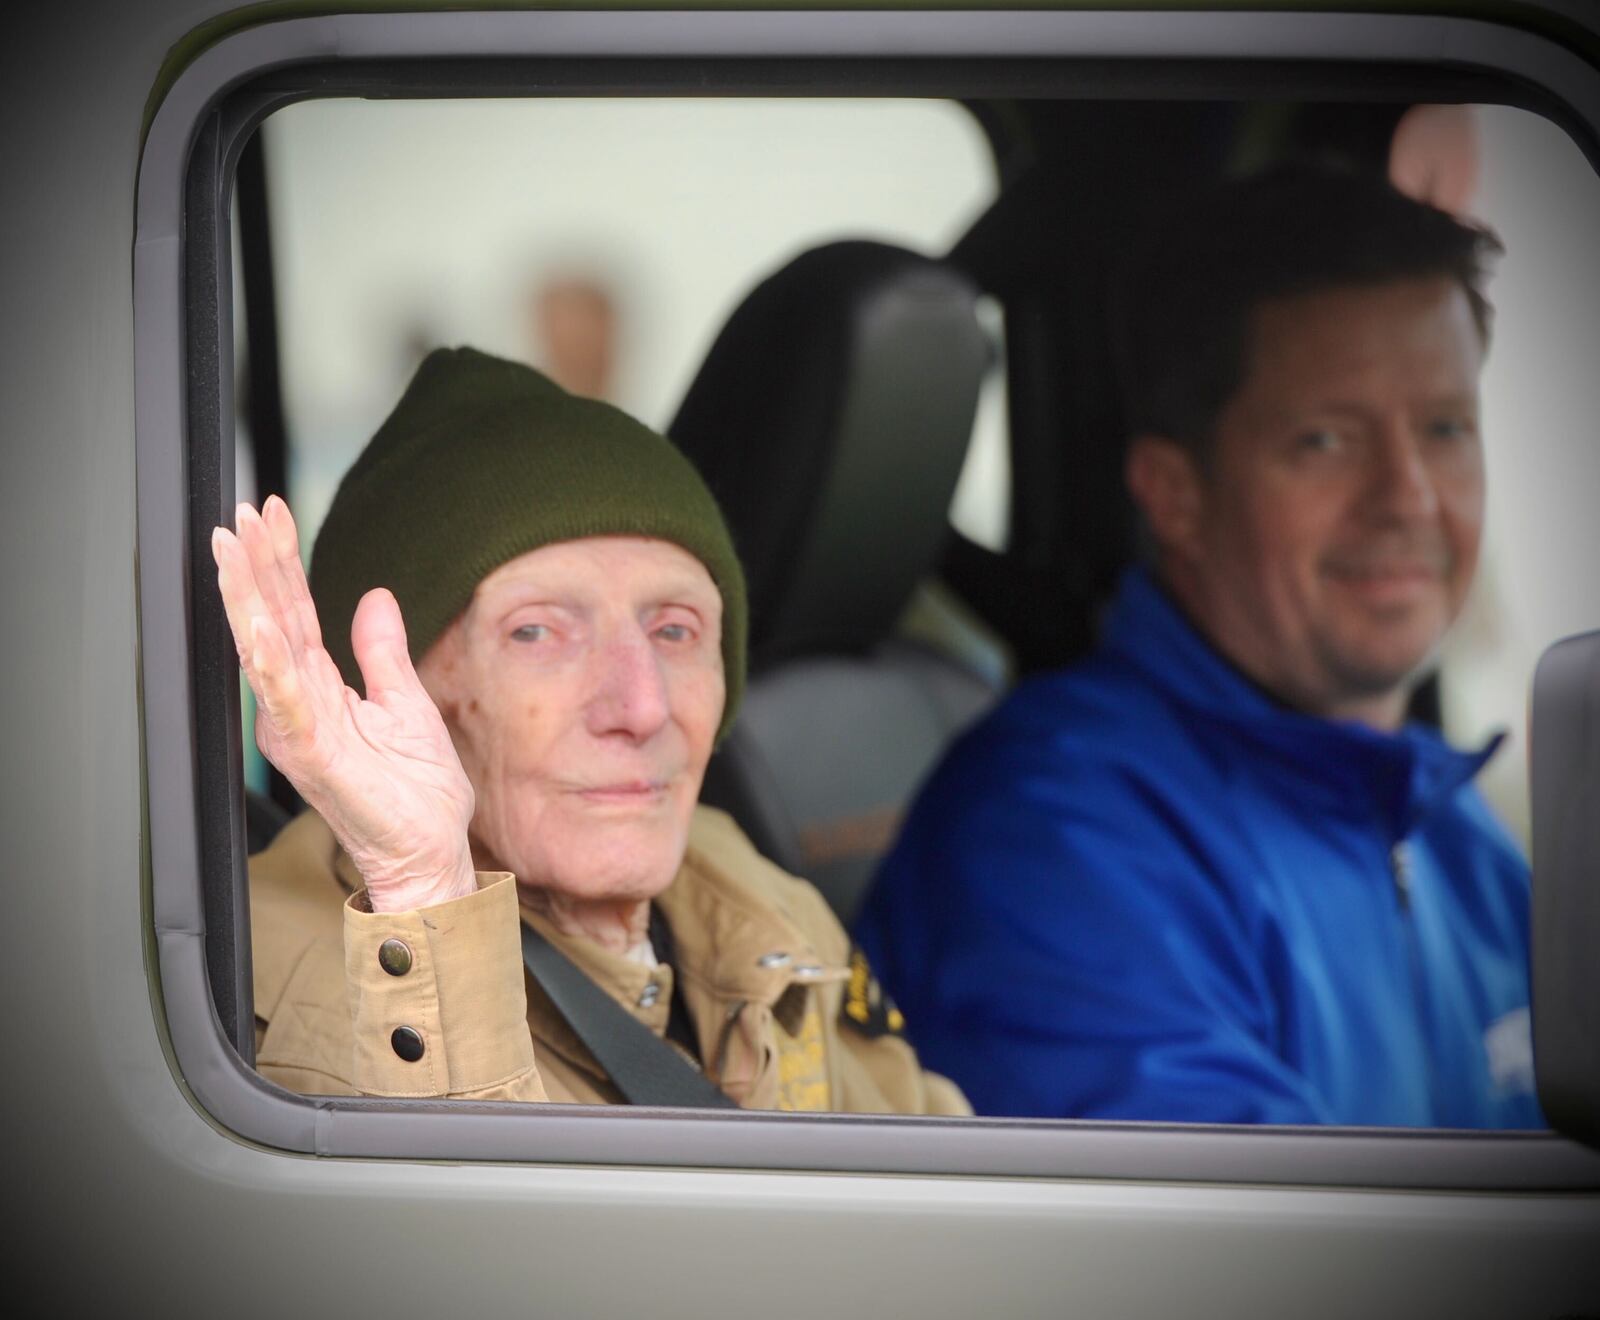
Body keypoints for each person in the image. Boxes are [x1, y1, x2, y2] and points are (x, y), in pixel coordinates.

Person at [853, 166, 1544, 1128]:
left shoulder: (1450, 828)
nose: (1410, 498)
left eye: (1444, 429)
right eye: (1326, 441)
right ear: (1175, 494)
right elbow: (1271, 1269)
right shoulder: (1058, 841)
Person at [220, 346, 966, 1113]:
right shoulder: (301, 1002)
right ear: (389, 696)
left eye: (675, 632)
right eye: (538, 633)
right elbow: (472, 1227)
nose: (641, 706)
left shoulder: (748, 890)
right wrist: (422, 890)